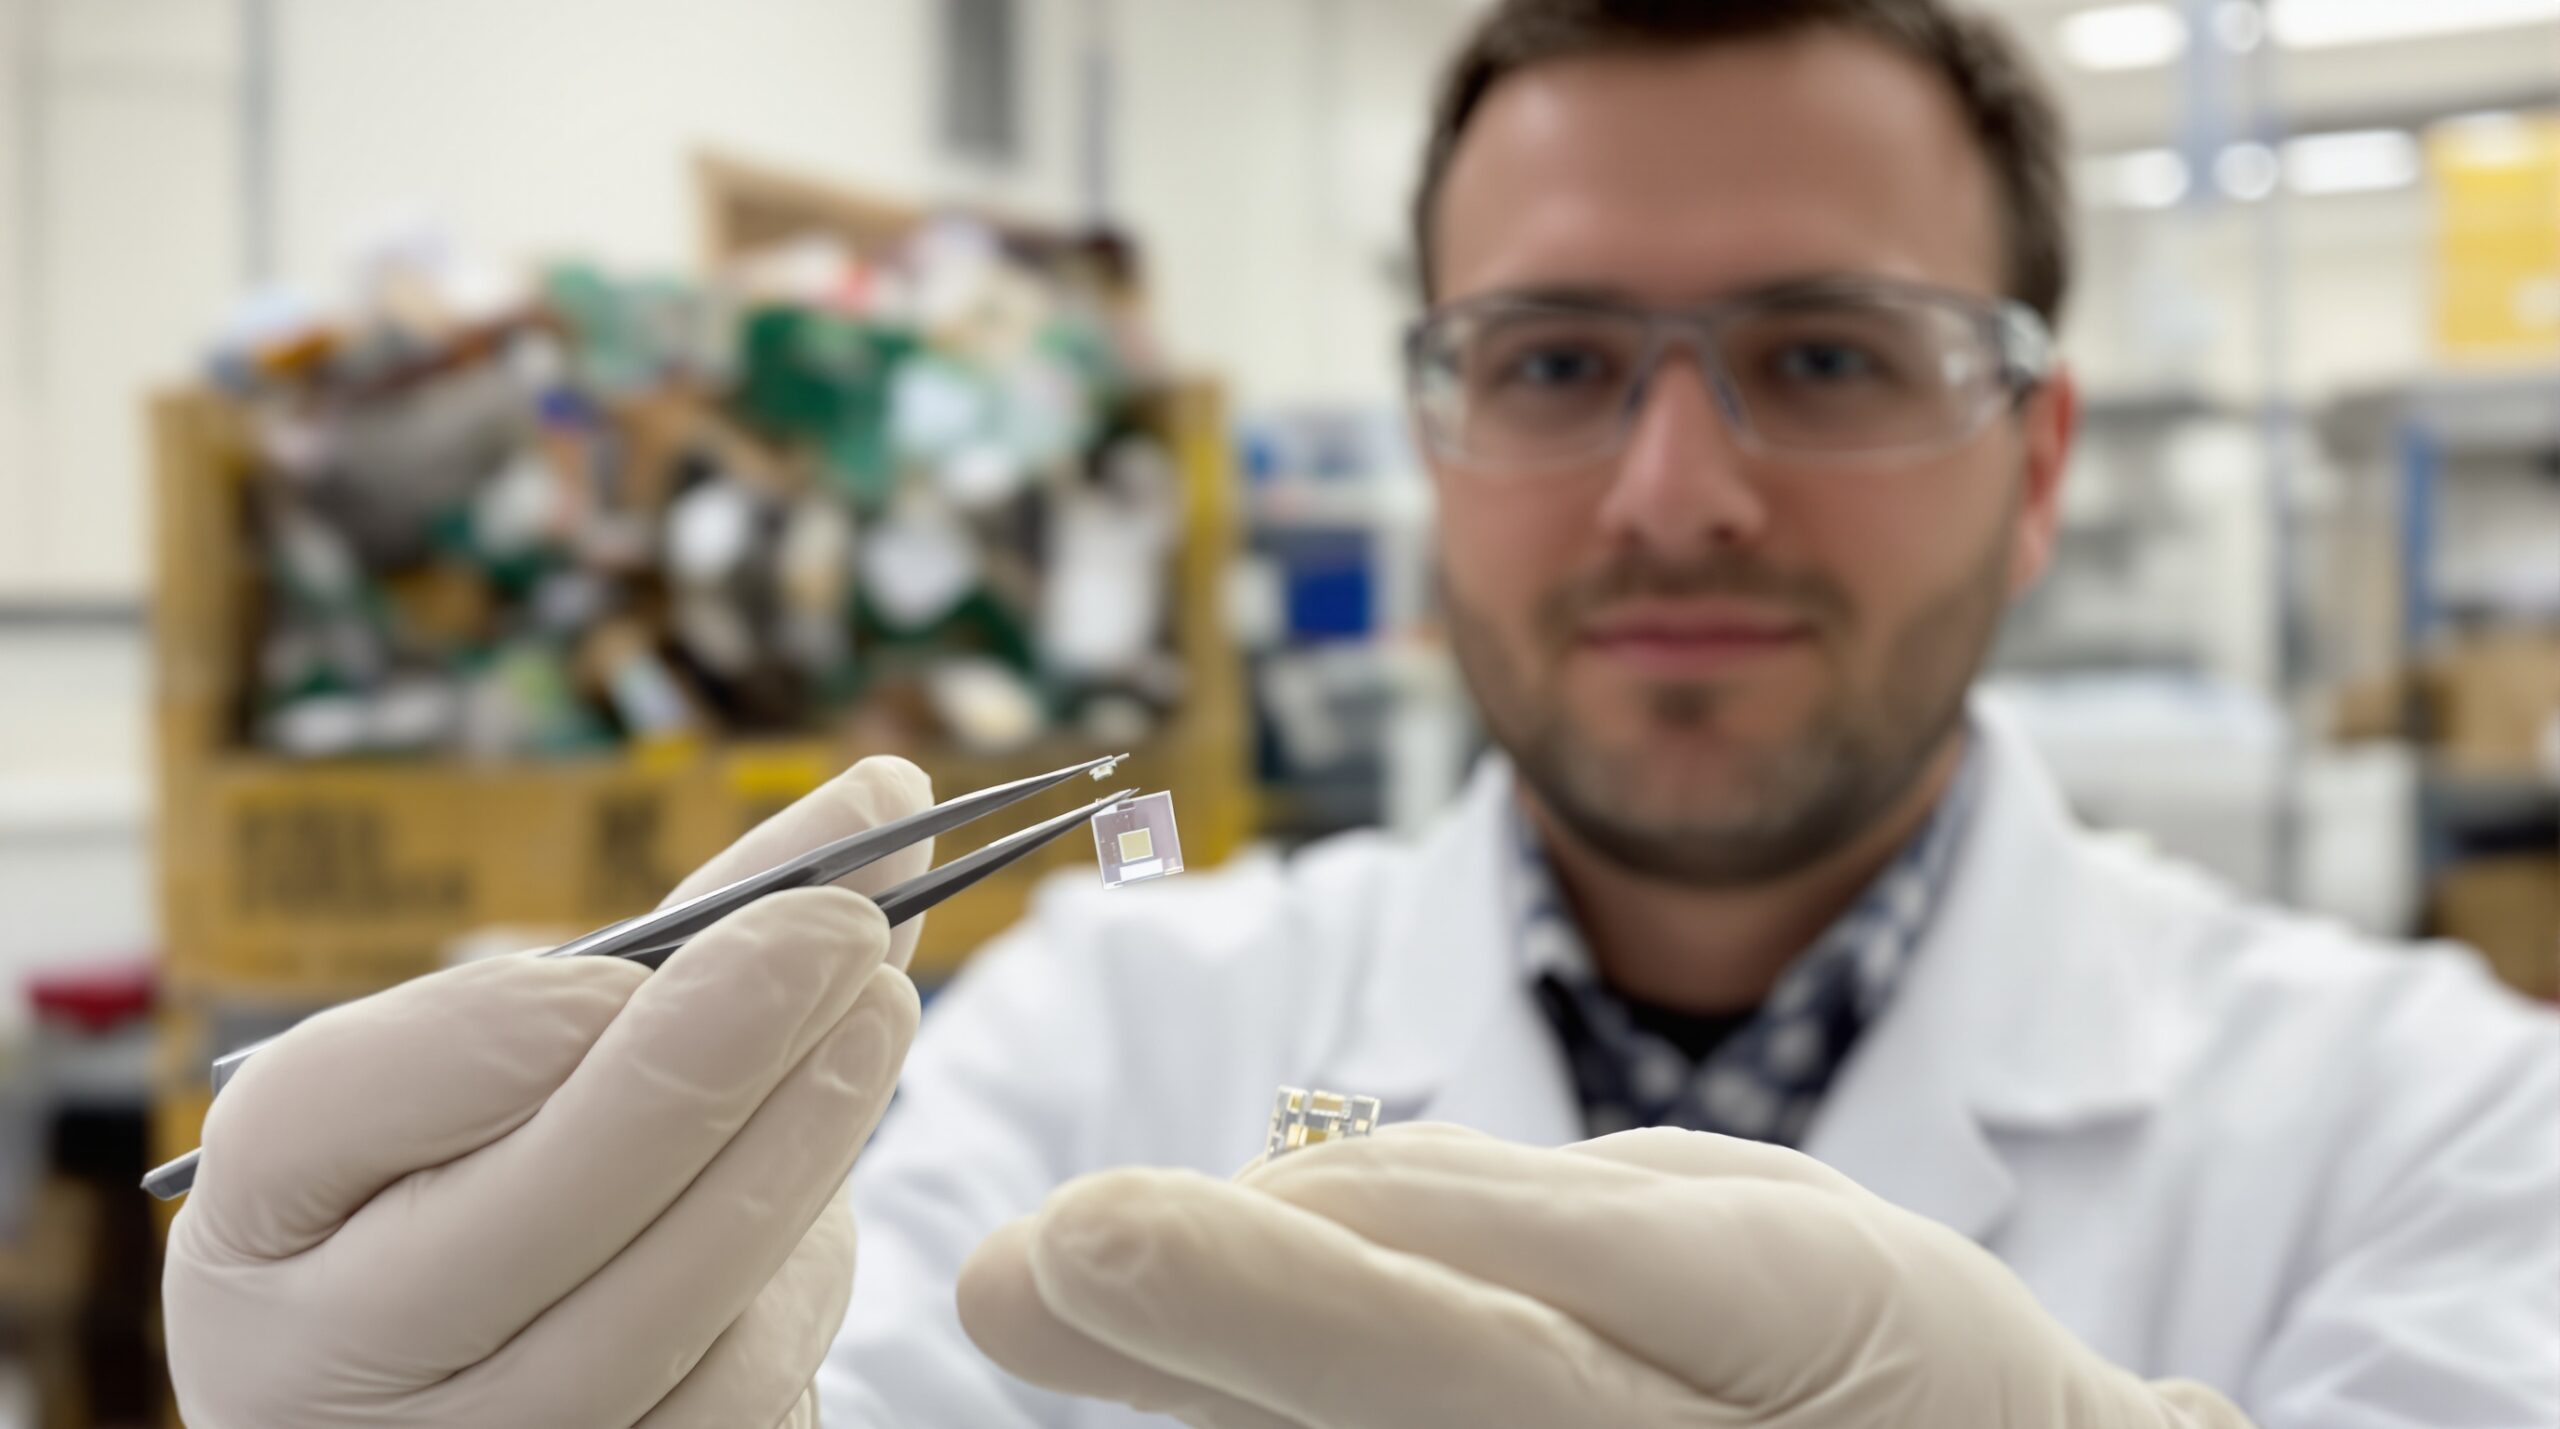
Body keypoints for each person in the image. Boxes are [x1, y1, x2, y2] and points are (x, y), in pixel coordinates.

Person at [162, 1, 2560, 1426]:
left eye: (1828, 355)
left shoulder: (2441, 1128)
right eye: (1552, 361)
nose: (1676, 490)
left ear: (2034, 466)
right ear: (1435, 439)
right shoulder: (1104, 1035)